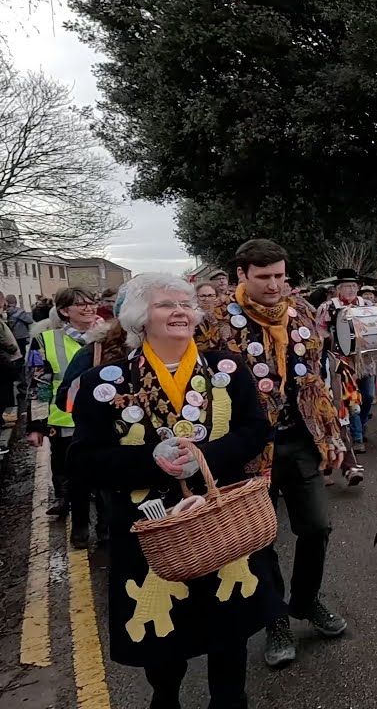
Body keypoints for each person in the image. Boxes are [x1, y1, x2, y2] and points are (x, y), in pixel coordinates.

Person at [68, 273, 281, 709]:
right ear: (139, 319)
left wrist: (207, 455)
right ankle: (165, 697)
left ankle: (230, 699)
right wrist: (151, 461)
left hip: (217, 519)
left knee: (229, 625)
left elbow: (256, 429)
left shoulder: (226, 369)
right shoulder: (103, 383)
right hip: (151, 530)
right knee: (163, 632)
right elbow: (82, 460)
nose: (181, 311)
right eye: (166, 305)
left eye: (185, 303)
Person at [196, 239, 347, 669]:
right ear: (241, 275)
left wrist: (331, 434)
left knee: (317, 525)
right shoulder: (214, 321)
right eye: (264, 277)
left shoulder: (299, 312)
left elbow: (315, 378)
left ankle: (306, 601)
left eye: (280, 275)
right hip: (247, 450)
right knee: (259, 538)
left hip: (300, 440)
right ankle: (274, 618)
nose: (275, 285)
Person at [27, 287, 108, 548]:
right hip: (65, 421)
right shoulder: (45, 341)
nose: (88, 308)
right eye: (80, 305)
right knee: (77, 480)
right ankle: (81, 527)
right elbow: (38, 386)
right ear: (64, 311)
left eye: (91, 303)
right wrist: (36, 425)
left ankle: (105, 527)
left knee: (105, 477)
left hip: (103, 420)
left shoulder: (109, 337)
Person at [317, 268, 377, 456]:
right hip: (341, 359)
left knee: (367, 396)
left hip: (364, 357)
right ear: (338, 289)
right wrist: (334, 339)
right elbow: (320, 331)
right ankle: (357, 437)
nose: (351, 289)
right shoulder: (328, 307)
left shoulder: (366, 304)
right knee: (351, 397)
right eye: (346, 286)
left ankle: (362, 424)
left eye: (353, 286)